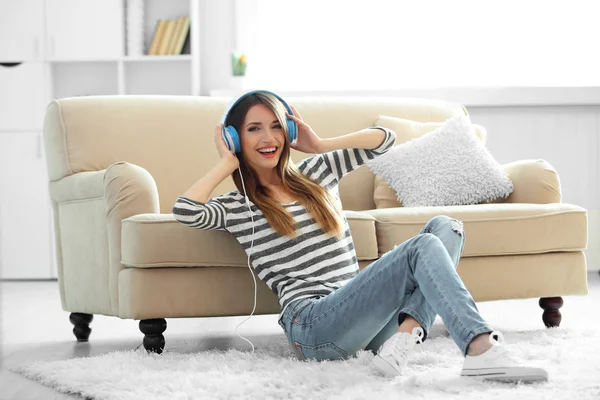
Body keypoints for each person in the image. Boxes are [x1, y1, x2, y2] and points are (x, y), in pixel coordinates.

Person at [172, 90, 548, 383]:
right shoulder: (239, 205)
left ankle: (404, 337)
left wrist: (319, 144)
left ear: (288, 131)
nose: (268, 138)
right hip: (313, 327)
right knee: (423, 247)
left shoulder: (318, 172)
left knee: (447, 228)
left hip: (363, 324)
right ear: (236, 138)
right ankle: (480, 348)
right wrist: (227, 163)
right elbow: (185, 211)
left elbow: (385, 140)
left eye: (275, 126)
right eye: (254, 129)